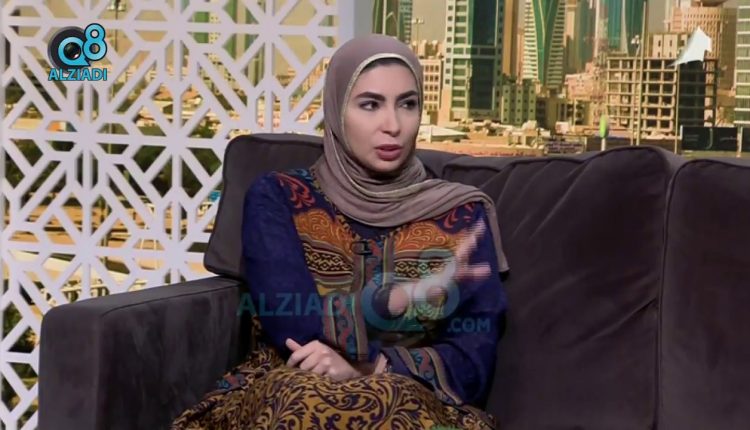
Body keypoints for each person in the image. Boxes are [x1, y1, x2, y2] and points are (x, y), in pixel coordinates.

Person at [171, 34, 509, 430]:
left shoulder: (462, 215)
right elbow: (293, 322)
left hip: (411, 398)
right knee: (299, 397)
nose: (393, 126)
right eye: (370, 104)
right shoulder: (279, 197)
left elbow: (474, 357)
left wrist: (373, 367)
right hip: (291, 382)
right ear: (336, 109)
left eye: (408, 104)